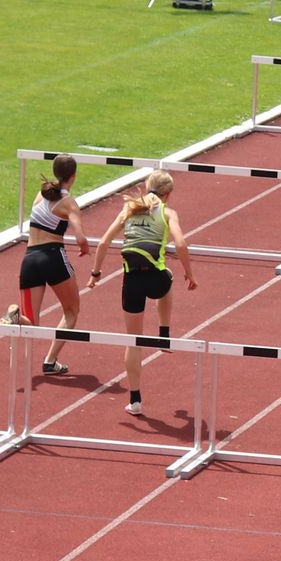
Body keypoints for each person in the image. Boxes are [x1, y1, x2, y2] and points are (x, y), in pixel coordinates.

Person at [87, 172, 197, 416]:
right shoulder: (168, 212)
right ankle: (164, 333)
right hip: (156, 279)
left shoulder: (130, 208)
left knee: (132, 341)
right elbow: (180, 245)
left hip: (131, 281)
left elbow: (104, 242)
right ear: (168, 194)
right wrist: (189, 273)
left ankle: (135, 400)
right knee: (168, 277)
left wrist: (95, 274)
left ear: (147, 188)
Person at [1, 154, 90, 376]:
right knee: (72, 310)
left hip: (30, 259)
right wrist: (85, 248)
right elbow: (80, 237)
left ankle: (16, 316)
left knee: (30, 322)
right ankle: (50, 360)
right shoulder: (69, 203)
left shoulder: (40, 196)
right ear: (74, 176)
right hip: (52, 257)